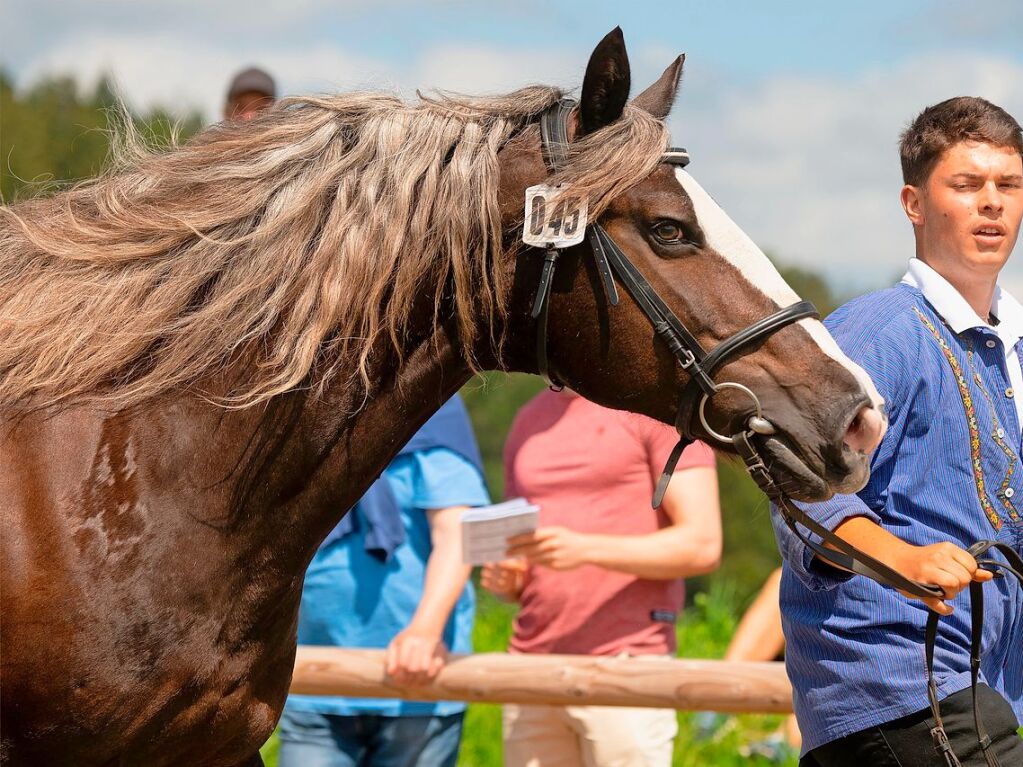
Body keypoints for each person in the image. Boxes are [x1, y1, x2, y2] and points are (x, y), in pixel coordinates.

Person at [772, 97, 1023, 766]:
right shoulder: (877, 331)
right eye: (966, 185)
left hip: (983, 693)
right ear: (913, 203)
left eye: (1008, 184)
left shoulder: (1015, 349)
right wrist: (903, 559)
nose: (991, 203)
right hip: (898, 691)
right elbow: (798, 486)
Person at [483, 386, 722, 767]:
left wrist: (584, 550)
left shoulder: (658, 411)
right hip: (531, 668)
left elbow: (702, 544)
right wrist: (509, 580)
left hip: (627, 664)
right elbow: (522, 551)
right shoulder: (527, 419)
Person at [278, 394, 490, 767]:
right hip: (312, 681)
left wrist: (425, 631)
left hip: (417, 686)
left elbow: (457, 535)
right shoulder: (305, 424)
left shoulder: (433, 412)